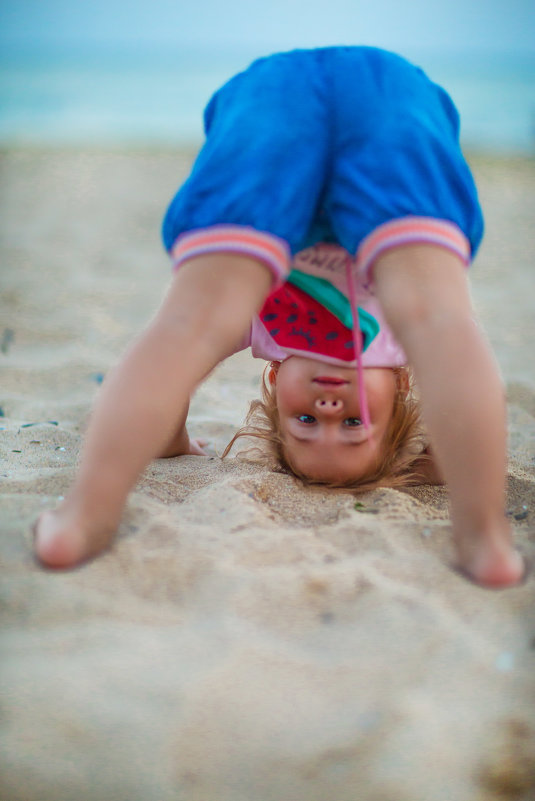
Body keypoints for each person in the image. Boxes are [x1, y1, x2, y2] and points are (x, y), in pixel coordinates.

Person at [34, 46, 525, 588]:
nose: (328, 408)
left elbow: (181, 358)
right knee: (442, 321)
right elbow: (452, 390)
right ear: (403, 387)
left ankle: (82, 521)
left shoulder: (264, 329)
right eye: (355, 424)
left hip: (273, 97)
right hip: (391, 94)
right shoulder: (412, 347)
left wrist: (170, 437)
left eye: (306, 423)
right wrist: (436, 459)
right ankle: (484, 539)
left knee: (192, 324)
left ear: (273, 378)